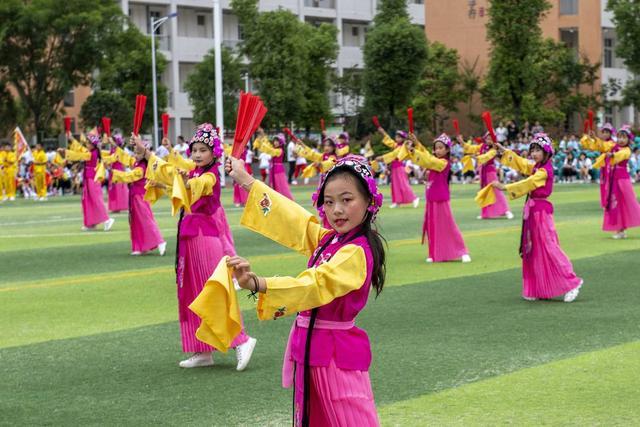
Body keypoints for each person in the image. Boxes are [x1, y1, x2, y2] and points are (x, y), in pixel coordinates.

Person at [226, 154, 384, 426]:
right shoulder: (330, 239)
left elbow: (315, 284)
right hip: (313, 348)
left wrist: (257, 283)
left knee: (348, 419)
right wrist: (246, 181)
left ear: (369, 202)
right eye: (329, 201)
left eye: (347, 200)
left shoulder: (356, 252)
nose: (337, 210)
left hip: (334, 356)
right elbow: (296, 221)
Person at [138, 123, 257, 369]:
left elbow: (197, 185)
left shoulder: (210, 175)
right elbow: (173, 173)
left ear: (213, 152)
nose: (197, 154)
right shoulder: (194, 171)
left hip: (205, 238)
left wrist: (184, 183)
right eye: (195, 150)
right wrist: (150, 158)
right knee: (191, 294)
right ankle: (202, 350)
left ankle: (241, 340)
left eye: (203, 150)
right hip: (190, 238)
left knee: (211, 291)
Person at [494, 134, 583, 302]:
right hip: (532, 211)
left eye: (538, 150)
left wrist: (505, 187)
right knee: (533, 249)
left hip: (541, 212)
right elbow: (521, 162)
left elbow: (529, 183)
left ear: (547, 152)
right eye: (532, 150)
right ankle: (539, 288)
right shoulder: (536, 166)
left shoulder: (543, 170)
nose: (534, 153)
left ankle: (572, 282)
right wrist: (504, 152)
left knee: (549, 246)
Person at [404, 133, 470, 263]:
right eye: (436, 148)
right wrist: (417, 143)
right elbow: (428, 157)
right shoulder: (435, 161)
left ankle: (462, 251)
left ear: (447, 150)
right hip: (431, 198)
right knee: (432, 226)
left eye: (441, 148)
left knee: (448, 225)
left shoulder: (444, 162)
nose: (438, 150)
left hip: (441, 199)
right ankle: (434, 253)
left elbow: (429, 160)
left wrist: (414, 150)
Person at [583, 125, 640, 239]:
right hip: (613, 178)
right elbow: (603, 145)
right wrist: (595, 138)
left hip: (622, 180)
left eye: (624, 137)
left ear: (629, 140)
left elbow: (621, 155)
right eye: (619, 137)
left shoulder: (626, 150)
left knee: (625, 203)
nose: (621, 140)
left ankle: (621, 229)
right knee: (615, 203)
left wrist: (613, 155)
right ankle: (620, 229)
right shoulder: (613, 146)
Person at [111, 140, 166, 256]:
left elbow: (130, 176)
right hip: (134, 196)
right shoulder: (136, 163)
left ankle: (160, 241)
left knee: (146, 220)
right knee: (135, 222)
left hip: (140, 196)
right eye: (135, 152)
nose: (135, 155)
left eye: (138, 153)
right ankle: (140, 246)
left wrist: (114, 173)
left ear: (145, 154)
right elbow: (127, 158)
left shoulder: (142, 168)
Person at [58, 134, 115, 231]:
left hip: (92, 179)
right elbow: (80, 149)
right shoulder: (92, 151)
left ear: (93, 145)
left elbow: (79, 155)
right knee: (88, 201)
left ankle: (107, 219)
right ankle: (91, 223)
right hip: (88, 178)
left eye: (88, 143)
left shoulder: (92, 154)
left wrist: (65, 152)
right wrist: (71, 139)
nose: (87, 145)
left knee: (96, 200)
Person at [461, 133, 513, 220]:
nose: (489, 141)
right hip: (482, 171)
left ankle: (506, 211)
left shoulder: (494, 149)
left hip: (490, 172)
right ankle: (485, 213)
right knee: (484, 192)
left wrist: (476, 157)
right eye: (487, 139)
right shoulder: (482, 146)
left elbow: (487, 156)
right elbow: (471, 148)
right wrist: (462, 142)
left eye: (491, 139)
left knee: (496, 190)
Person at [375, 126, 420, 209]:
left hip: (399, 168)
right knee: (395, 186)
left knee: (403, 185)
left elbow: (393, 155)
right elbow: (389, 141)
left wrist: (381, 158)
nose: (396, 138)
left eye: (399, 137)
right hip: (394, 168)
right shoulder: (397, 145)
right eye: (396, 136)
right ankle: (397, 201)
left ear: (403, 139)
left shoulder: (402, 147)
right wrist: (383, 132)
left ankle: (414, 198)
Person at [253, 129, 294, 200]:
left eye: (277, 141)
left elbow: (269, 149)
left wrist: (262, 141)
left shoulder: (279, 150)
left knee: (280, 186)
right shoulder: (275, 149)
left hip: (278, 169)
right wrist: (262, 134)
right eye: (275, 141)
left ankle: (287, 200)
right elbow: (268, 146)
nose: (275, 142)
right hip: (273, 169)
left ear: (280, 142)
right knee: (273, 186)